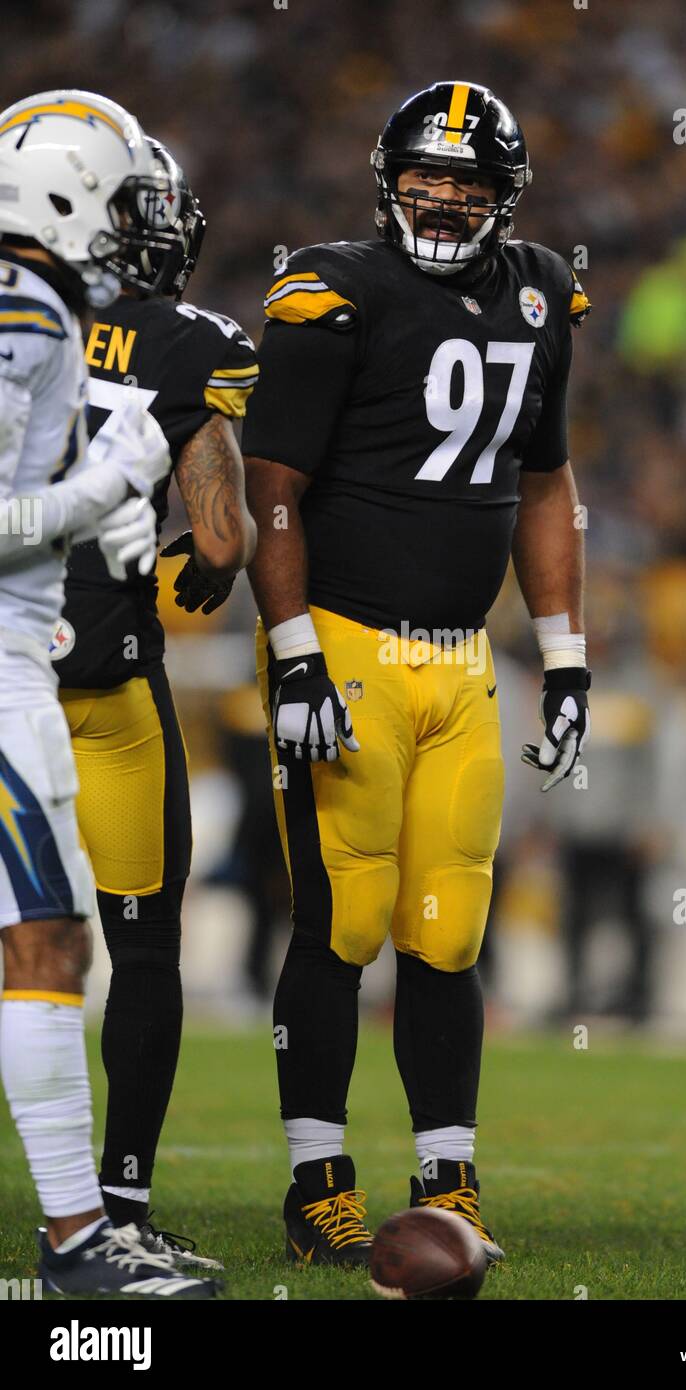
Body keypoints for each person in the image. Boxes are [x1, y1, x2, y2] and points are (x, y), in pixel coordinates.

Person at [243, 81, 591, 1265]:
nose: (444, 197)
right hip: (343, 642)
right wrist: (293, 658)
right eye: (427, 174)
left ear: (506, 197)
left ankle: (447, 1174)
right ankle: (316, 1183)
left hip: (462, 659)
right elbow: (273, 490)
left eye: (470, 182)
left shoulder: (541, 291)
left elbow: (543, 485)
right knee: (340, 921)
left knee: (447, 929)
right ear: (385, 175)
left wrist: (565, 654)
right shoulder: (333, 289)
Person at [0, 89, 216, 1297]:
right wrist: (101, 493)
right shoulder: (20, 309)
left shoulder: (43, 311)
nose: (142, 227)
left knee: (42, 939)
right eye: (127, 198)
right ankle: (82, 1243)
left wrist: (108, 510)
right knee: (40, 939)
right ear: (71, 194)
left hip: (23, 652)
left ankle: (83, 1230)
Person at [54, 135, 258, 1269]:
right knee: (142, 953)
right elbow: (224, 536)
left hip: (10, 672)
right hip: (116, 690)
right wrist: (207, 554)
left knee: (31, 949)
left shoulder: (19, 326)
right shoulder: (194, 347)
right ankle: (118, 1207)